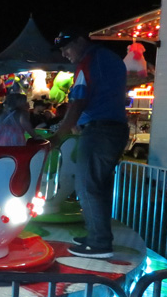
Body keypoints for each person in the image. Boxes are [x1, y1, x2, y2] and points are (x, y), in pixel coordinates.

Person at [50, 27, 129, 258]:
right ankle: (98, 236)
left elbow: (77, 103)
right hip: (114, 129)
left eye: (66, 47)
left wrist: (57, 137)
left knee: (87, 186)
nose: (64, 53)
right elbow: (103, 97)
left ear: (80, 41)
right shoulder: (110, 59)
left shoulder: (88, 62)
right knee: (99, 186)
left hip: (99, 132)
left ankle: (99, 243)